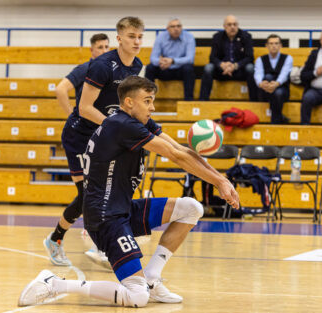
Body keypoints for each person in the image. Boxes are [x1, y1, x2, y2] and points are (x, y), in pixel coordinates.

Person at [18, 76, 240, 308]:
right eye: (147, 101)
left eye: (153, 100)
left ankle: (151, 280)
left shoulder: (137, 122)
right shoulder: (123, 125)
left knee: (191, 208)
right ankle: (54, 283)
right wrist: (219, 183)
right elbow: (174, 156)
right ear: (129, 102)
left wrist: (221, 179)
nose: (152, 107)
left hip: (122, 209)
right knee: (136, 297)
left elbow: (179, 149)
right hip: (105, 219)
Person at [43, 17, 144, 267]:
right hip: (80, 135)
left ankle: (97, 243)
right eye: (132, 36)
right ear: (119, 38)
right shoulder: (101, 66)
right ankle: (65, 241)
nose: (137, 41)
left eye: (140, 36)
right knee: (87, 194)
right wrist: (116, 128)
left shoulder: (136, 65)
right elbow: (85, 108)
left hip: (104, 133)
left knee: (108, 191)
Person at [199, 15, 256, 101]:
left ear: (238, 25)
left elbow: (250, 57)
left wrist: (235, 66)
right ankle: (203, 101)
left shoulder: (246, 36)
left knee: (251, 68)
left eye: (235, 24)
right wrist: (222, 65)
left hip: (239, 70)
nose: (232, 27)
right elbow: (212, 57)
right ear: (224, 26)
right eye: (229, 25)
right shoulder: (217, 37)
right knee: (208, 68)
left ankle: (254, 101)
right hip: (222, 71)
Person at [144, 17, 195, 100]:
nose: (176, 29)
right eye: (173, 26)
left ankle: (188, 101)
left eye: (178, 26)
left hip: (180, 70)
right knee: (150, 68)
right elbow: (153, 58)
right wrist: (161, 62)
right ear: (167, 29)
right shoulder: (161, 37)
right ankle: (147, 99)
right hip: (164, 69)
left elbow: (190, 59)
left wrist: (173, 61)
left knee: (189, 68)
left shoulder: (189, 37)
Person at [254, 34, 293, 124]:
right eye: (271, 43)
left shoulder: (288, 58)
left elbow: (284, 74)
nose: (273, 46)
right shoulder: (260, 59)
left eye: (276, 43)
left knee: (278, 93)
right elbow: (258, 74)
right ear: (266, 46)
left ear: (280, 45)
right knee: (267, 77)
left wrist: (276, 84)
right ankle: (279, 117)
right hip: (265, 90)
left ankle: (276, 120)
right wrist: (260, 83)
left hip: (282, 89)